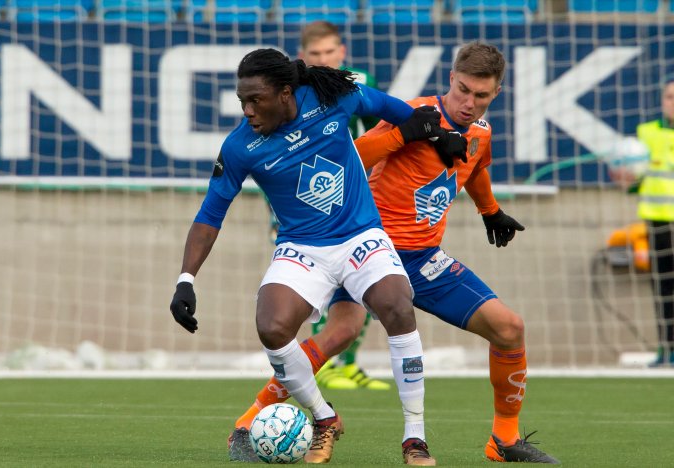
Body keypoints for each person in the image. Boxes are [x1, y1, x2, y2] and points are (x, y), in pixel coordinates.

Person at [228, 42, 559, 465]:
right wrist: (411, 132)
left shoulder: (482, 131)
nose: (468, 103)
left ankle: (504, 440)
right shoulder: (414, 113)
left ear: (496, 94)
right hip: (366, 249)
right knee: (338, 335)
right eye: (462, 90)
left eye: (480, 96)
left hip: (423, 258)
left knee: (510, 329)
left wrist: (490, 211)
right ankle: (250, 418)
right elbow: (352, 153)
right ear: (451, 79)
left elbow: (475, 166)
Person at [170, 48, 462, 464]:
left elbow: (391, 107)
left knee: (398, 306)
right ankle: (324, 418)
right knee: (272, 327)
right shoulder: (240, 146)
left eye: (256, 101)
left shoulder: (332, 97)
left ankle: (414, 437)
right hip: (302, 247)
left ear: (286, 92)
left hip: (361, 235)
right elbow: (210, 214)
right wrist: (186, 279)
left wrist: (435, 135)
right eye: (242, 102)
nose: (248, 111)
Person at [293, 20, 391, 391]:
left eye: (329, 52)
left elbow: (383, 127)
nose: (323, 60)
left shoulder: (357, 83)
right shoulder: (295, 89)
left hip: (353, 198)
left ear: (342, 52)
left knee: (364, 277)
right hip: (308, 196)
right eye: (315, 54)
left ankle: (347, 362)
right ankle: (326, 361)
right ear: (304, 57)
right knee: (323, 281)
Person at [633, 79, 674, 367]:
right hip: (658, 222)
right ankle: (666, 348)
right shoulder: (645, 134)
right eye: (670, 97)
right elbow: (633, 176)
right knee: (663, 289)